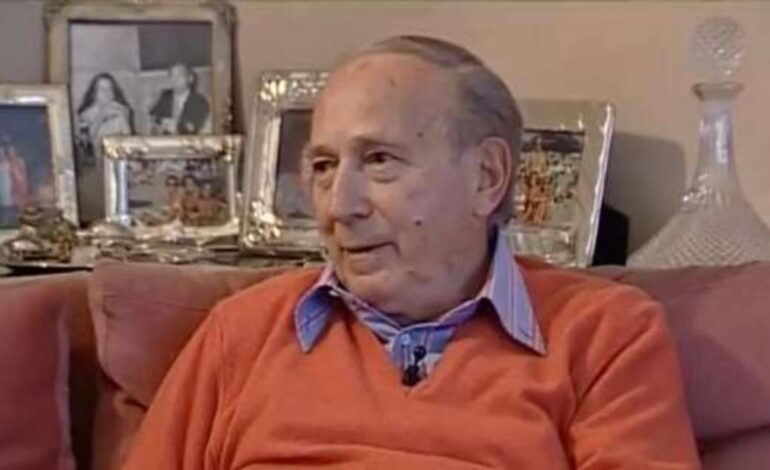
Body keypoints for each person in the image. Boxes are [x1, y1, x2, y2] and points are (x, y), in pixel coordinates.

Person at [124, 36, 699, 468]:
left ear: (486, 177)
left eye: (379, 161)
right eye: (323, 166)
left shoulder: (604, 336)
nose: (339, 205)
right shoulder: (240, 335)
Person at [76, 73, 134, 160]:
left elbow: (129, 138)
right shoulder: (86, 114)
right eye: (102, 89)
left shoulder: (121, 109)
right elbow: (86, 143)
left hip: (119, 155)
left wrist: (122, 116)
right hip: (95, 158)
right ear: (94, 93)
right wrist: (101, 117)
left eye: (109, 89)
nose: (106, 93)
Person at [149, 63, 211, 135]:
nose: (175, 80)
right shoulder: (165, 97)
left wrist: (176, 126)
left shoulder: (199, 101)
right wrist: (158, 126)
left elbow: (194, 126)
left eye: (179, 76)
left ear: (190, 78)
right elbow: (154, 117)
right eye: (172, 76)